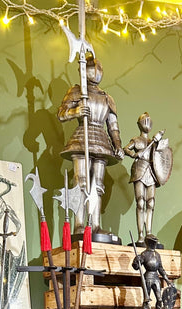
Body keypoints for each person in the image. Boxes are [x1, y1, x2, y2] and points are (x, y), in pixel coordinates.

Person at [58, 55, 124, 236]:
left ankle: (95, 225)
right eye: (92, 67)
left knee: (98, 185)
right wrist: (76, 111)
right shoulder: (77, 91)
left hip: (100, 139)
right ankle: (79, 224)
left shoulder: (107, 97)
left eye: (98, 68)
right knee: (80, 182)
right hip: (82, 137)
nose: (96, 71)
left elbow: (113, 126)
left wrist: (117, 145)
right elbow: (62, 113)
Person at [124, 113, 169, 244]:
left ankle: (149, 233)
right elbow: (126, 149)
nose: (147, 123)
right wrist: (133, 154)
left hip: (151, 171)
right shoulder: (136, 140)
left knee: (151, 203)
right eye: (145, 120)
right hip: (139, 169)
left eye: (149, 121)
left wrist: (157, 141)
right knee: (140, 203)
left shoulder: (152, 142)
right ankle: (141, 235)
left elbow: (160, 155)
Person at [132, 233, 175, 309]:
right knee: (146, 300)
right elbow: (136, 267)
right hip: (147, 277)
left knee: (159, 299)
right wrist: (136, 261)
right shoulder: (144, 254)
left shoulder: (157, 255)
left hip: (156, 277)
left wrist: (167, 280)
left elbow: (161, 269)